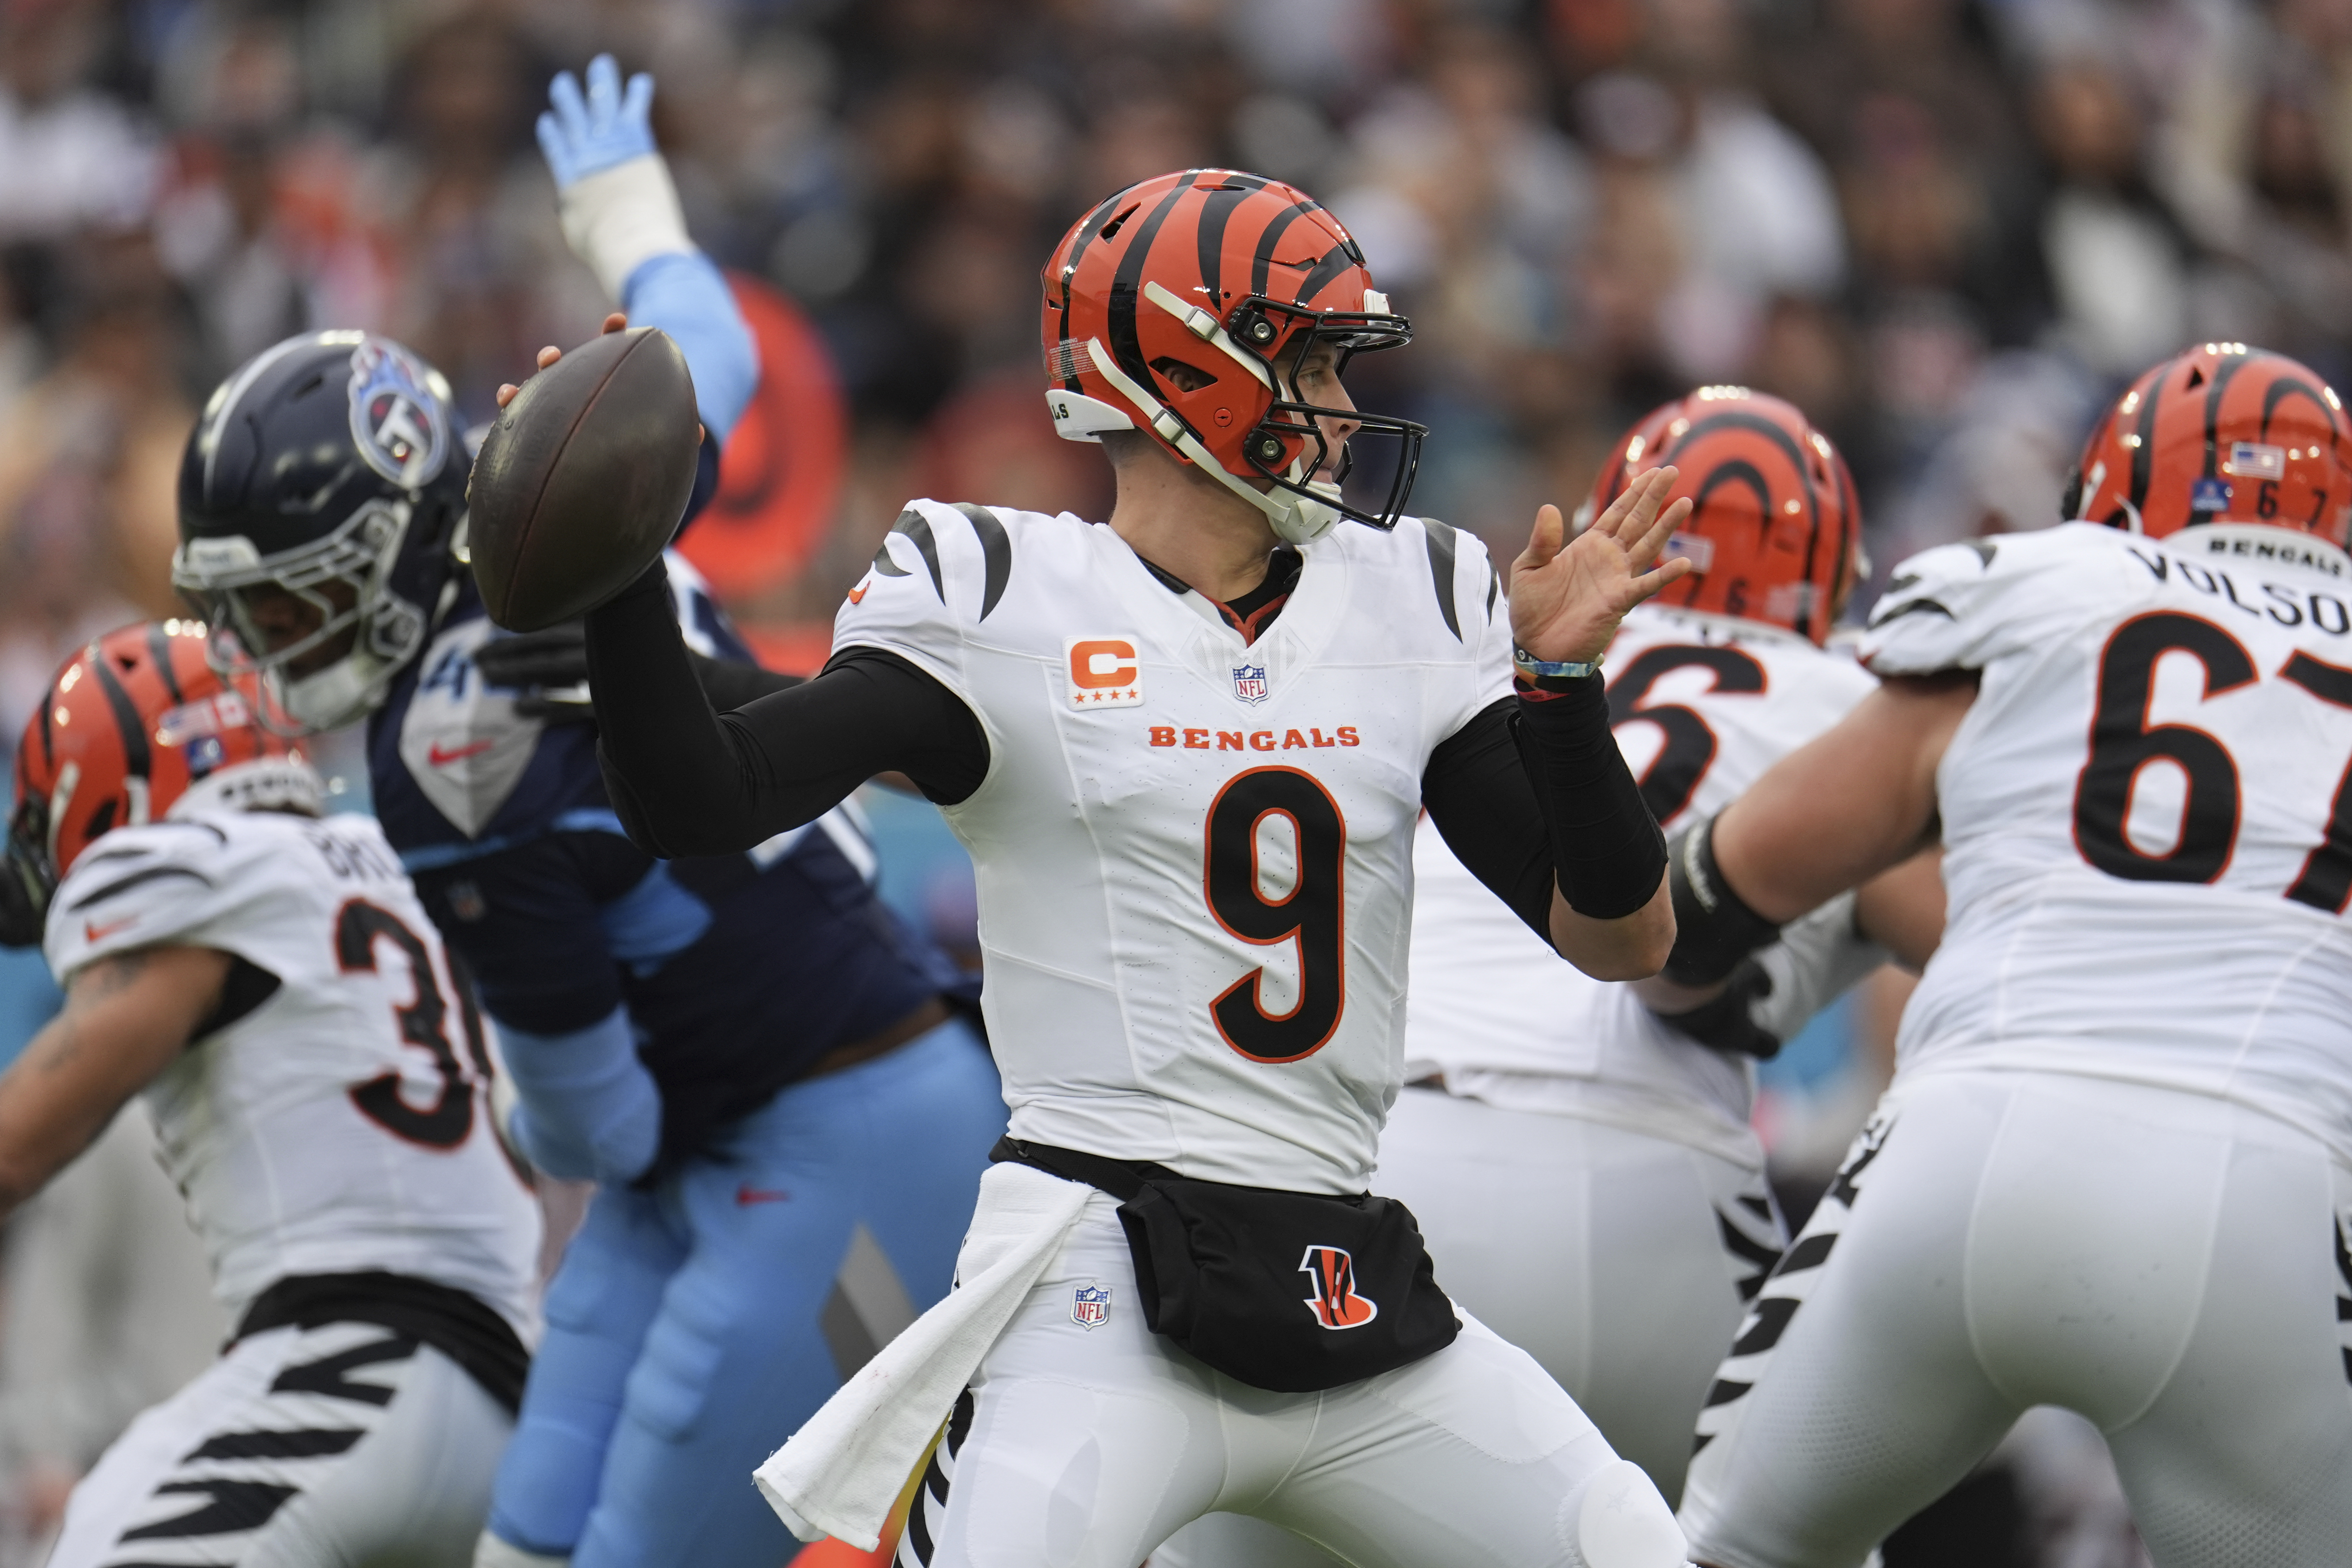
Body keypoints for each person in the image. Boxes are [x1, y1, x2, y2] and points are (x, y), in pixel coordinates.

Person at [532, 168, 1700, 1568]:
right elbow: (704, 802)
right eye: (1311, 358)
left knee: (1634, 1550)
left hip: (1345, 1283)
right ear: (1184, 371)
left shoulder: (1417, 596)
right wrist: (613, 581)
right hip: (1098, 1282)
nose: (1341, 404)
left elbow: (1622, 938)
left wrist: (1562, 691)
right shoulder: (998, 594)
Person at [170, 58, 1006, 1568]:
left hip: (838, 1128)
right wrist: (625, 207)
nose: (267, 649)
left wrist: (511, 1069)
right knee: (531, 1537)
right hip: (729, 1121)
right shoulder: (570, 489)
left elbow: (590, 1118)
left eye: (288, 600)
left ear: (381, 550)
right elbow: (705, 354)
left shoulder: (454, 766)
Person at [1151, 389, 1942, 1568]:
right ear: (1829, 580)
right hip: (1668, 1194)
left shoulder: (1501, 653)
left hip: (1393, 1165)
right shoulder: (1864, 714)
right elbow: (2002, 955)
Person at [1662, 341, 2352, 1567]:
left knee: (1725, 1552)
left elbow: (1705, 908)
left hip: (1968, 1148)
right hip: (2266, 1191)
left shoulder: (2041, 592)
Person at [0, 620, 541, 1567]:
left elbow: (19, 1145)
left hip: (357, 1356)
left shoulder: (202, 870)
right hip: (504, 1401)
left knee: (92, 1543)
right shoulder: (387, 858)